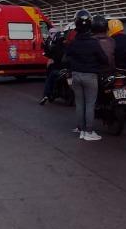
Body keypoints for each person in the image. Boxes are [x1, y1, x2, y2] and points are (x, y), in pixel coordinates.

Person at [65, 10, 108, 141]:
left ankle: (81, 130)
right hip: (90, 76)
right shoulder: (94, 43)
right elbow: (104, 59)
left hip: (76, 75)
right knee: (90, 104)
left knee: (80, 103)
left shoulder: (73, 43)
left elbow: (65, 59)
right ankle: (88, 132)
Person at [39, 28, 65, 105]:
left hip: (59, 69)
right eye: (50, 33)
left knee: (49, 78)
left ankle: (45, 95)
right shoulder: (68, 46)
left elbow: (51, 55)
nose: (51, 35)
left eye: (52, 33)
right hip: (69, 69)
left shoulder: (55, 46)